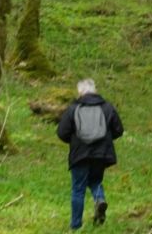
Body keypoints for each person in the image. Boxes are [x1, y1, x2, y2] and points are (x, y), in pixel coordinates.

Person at [56, 79, 124, 230]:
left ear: (80, 92)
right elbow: (119, 130)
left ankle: (75, 226)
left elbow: (61, 132)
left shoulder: (73, 108)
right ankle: (99, 199)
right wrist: (105, 139)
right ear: (95, 91)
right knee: (95, 180)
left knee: (78, 189)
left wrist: (74, 141)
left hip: (79, 154)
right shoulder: (107, 107)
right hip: (101, 154)